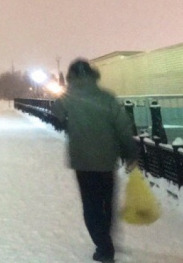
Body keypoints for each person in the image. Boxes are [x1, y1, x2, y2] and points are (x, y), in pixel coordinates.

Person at [52, 59, 137, 263]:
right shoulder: (107, 98)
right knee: (107, 202)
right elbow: (124, 127)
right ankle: (106, 240)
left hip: (82, 160)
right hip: (107, 159)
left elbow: (57, 115)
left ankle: (104, 246)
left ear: (71, 77)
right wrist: (130, 154)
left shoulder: (66, 98)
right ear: (93, 75)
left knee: (90, 204)